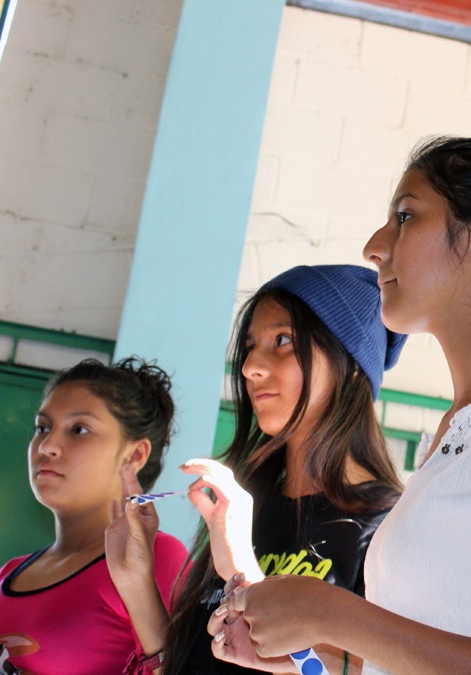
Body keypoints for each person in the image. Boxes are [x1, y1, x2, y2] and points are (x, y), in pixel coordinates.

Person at [209, 136, 471, 674]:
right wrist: (307, 655)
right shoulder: (464, 431)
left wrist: (332, 614)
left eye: (406, 217)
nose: (375, 246)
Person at [162, 264, 408, 674]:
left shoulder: (389, 527)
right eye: (250, 346)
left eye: (282, 340)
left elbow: (358, 670)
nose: (250, 366)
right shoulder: (244, 508)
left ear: (349, 362)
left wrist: (243, 572)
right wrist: (133, 578)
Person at [0, 357, 187, 674]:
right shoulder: (7, 574)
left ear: (134, 455)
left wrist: (137, 584)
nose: (48, 445)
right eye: (42, 427)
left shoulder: (158, 557)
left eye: (79, 429)